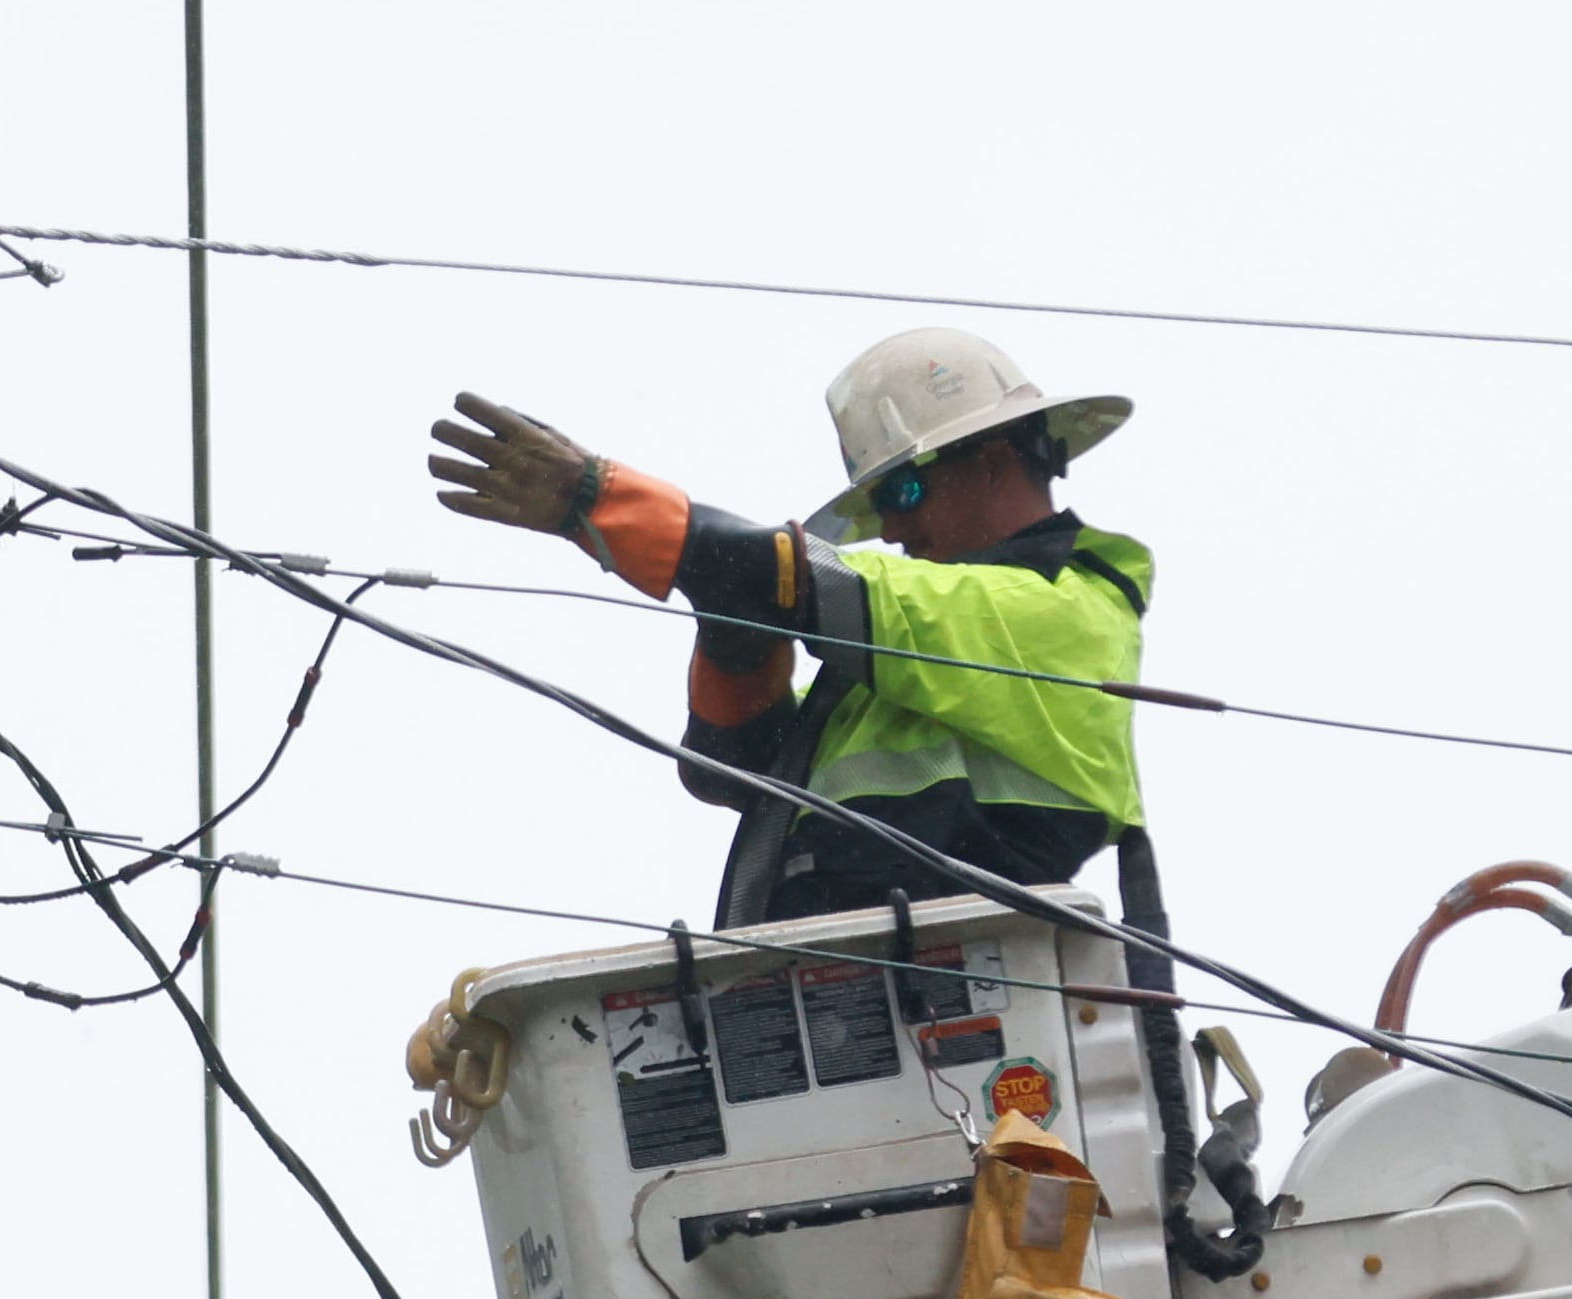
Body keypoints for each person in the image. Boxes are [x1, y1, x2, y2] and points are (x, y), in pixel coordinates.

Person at [427, 328, 1150, 925]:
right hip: (846, 1010)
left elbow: (785, 572)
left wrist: (597, 500)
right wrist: (738, 635)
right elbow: (730, 768)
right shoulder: (897, 675)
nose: (892, 527)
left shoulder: (1066, 611)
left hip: (952, 1008)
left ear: (993, 465)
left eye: (903, 490)